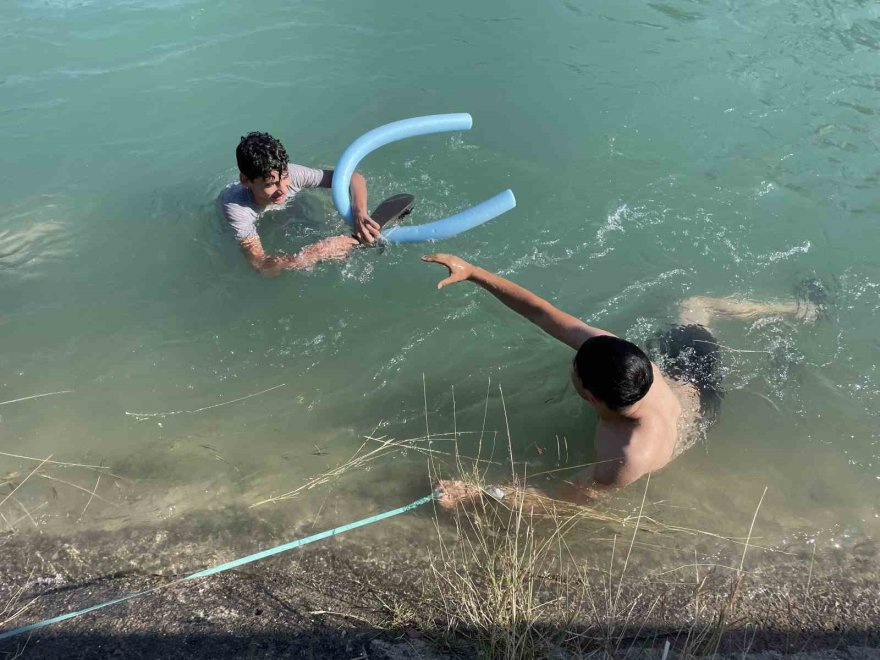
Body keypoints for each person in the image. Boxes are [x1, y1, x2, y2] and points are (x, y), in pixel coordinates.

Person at [422, 254, 822, 509]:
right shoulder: (621, 357)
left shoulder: (624, 457)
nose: (574, 363)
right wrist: (473, 272)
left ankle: (798, 311)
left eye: (575, 371)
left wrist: (476, 494)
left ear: (592, 398)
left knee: (695, 311)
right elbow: (543, 314)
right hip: (687, 379)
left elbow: (561, 503)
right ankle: (797, 309)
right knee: (693, 307)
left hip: (699, 412)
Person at [221, 132, 382, 275]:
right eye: (270, 184)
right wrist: (315, 253)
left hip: (294, 209)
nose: (283, 189)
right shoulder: (237, 209)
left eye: (284, 177)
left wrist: (359, 212)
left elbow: (354, 179)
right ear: (245, 180)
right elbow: (262, 266)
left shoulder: (293, 174)